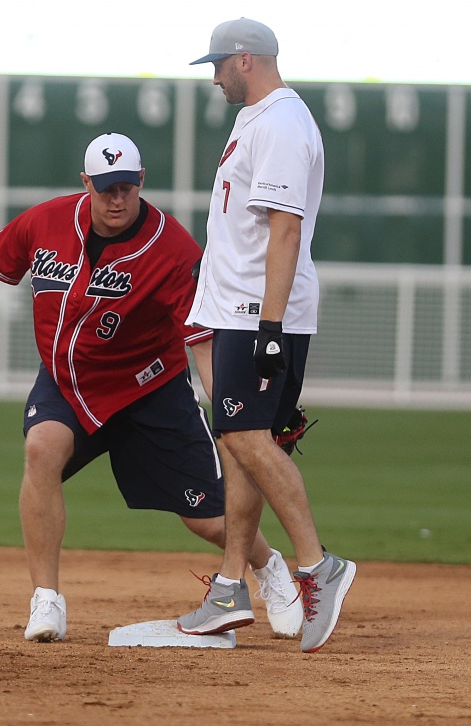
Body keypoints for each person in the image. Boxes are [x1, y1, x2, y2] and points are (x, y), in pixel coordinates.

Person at [0, 132, 302, 642]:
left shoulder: (172, 248)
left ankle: (270, 569)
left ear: (140, 182)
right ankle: (46, 601)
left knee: (206, 519)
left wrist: (231, 413)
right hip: (68, 383)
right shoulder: (44, 223)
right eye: (105, 188)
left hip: (149, 390)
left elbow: (202, 342)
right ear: (86, 183)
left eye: (126, 187)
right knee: (41, 448)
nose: (117, 199)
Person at [176, 18, 356, 653]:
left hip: (260, 312)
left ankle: (317, 564)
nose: (216, 76)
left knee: (243, 435)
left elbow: (284, 229)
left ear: (245, 59)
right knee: (239, 445)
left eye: (219, 65)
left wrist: (271, 327)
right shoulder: (257, 117)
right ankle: (229, 589)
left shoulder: (279, 123)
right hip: (238, 310)